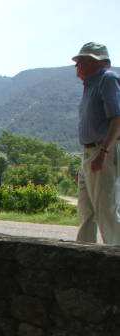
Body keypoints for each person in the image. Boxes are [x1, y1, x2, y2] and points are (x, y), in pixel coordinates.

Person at [72, 42, 120, 244]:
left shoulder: (107, 79)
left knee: (105, 211)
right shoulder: (91, 85)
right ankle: (82, 257)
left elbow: (117, 119)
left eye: (81, 60)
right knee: (87, 212)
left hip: (102, 151)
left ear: (95, 61)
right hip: (91, 153)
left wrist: (103, 152)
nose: (77, 65)